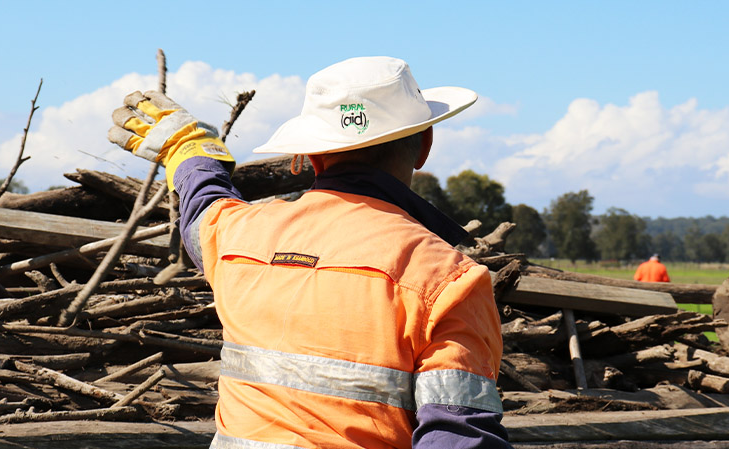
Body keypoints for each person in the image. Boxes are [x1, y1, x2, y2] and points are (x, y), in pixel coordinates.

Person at [109, 56, 512, 449]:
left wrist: (189, 149)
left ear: (311, 156)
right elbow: (459, 436)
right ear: (424, 144)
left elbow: (202, 209)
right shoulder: (448, 280)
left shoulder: (238, 239)